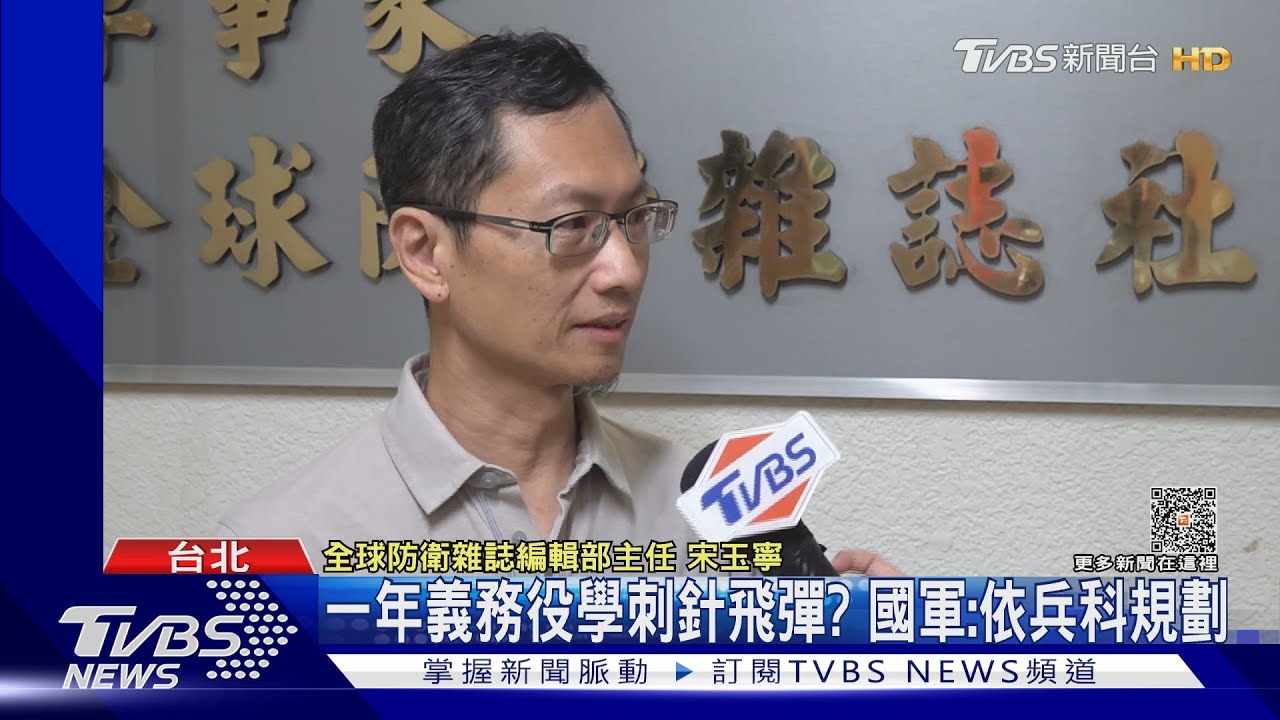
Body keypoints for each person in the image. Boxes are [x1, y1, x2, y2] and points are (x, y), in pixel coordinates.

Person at [215, 31, 900, 577]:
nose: (625, 270)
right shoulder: (280, 556)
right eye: (571, 226)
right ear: (425, 253)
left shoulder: (706, 522)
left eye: (636, 218)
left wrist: (873, 665)